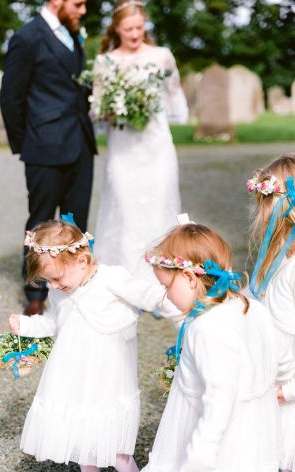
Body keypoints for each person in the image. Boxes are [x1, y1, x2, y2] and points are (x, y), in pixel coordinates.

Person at [117, 224, 282, 472]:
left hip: (219, 437)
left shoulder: (205, 328)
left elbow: (218, 398)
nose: (165, 295)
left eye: (166, 285)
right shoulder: (245, 304)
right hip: (251, 429)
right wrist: (281, 382)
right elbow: (278, 353)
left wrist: (200, 459)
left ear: (191, 277)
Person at [8, 217, 181, 472]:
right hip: (76, 373)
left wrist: (186, 312)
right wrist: (26, 325)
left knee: (114, 447)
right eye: (49, 282)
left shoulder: (112, 279)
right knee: (83, 433)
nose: (55, 286)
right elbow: (54, 322)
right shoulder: (62, 290)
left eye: (58, 279)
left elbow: (153, 297)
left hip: (108, 376)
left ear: (82, 259)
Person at [0, 0, 97, 317]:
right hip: (43, 147)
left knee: (77, 222)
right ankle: (36, 292)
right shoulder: (27, 37)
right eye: (78, 3)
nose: (82, 11)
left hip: (81, 144)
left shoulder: (73, 35)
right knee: (41, 222)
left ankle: (75, 288)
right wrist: (27, 143)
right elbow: (11, 97)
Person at [93, 0, 188, 279]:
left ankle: (163, 279)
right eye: (128, 29)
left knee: (161, 205)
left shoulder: (162, 55)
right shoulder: (105, 62)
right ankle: (126, 279)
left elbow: (173, 96)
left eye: (139, 27)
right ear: (117, 29)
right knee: (125, 209)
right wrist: (112, 110)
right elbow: (96, 109)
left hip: (156, 146)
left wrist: (149, 106)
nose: (135, 34)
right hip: (123, 149)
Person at [247, 154, 295, 472]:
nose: (260, 213)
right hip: (273, 368)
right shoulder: (277, 254)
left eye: (267, 200)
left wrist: (289, 389)